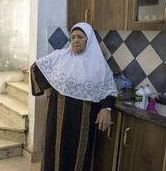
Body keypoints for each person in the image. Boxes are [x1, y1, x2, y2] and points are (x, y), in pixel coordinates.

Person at [30, 22, 117, 171]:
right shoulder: (60, 56)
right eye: (73, 37)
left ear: (88, 39)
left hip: (82, 121)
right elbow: (35, 67)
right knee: (54, 150)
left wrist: (106, 109)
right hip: (57, 117)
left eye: (80, 37)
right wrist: (47, 89)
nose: (75, 40)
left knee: (78, 155)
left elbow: (109, 90)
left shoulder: (99, 65)